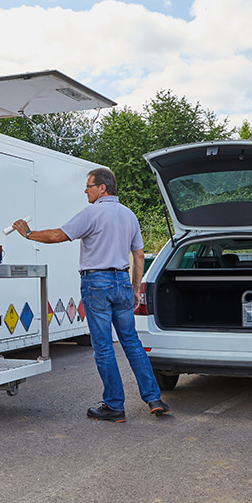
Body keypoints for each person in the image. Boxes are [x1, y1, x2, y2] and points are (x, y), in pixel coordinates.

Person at [12, 167, 168, 421]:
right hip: (122, 282)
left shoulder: (92, 213)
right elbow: (139, 255)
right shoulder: (129, 216)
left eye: (89, 186)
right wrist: (136, 288)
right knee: (131, 342)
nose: (86, 190)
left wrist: (28, 233)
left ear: (102, 188)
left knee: (104, 346)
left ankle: (114, 405)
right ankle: (153, 398)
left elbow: (58, 235)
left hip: (97, 282)